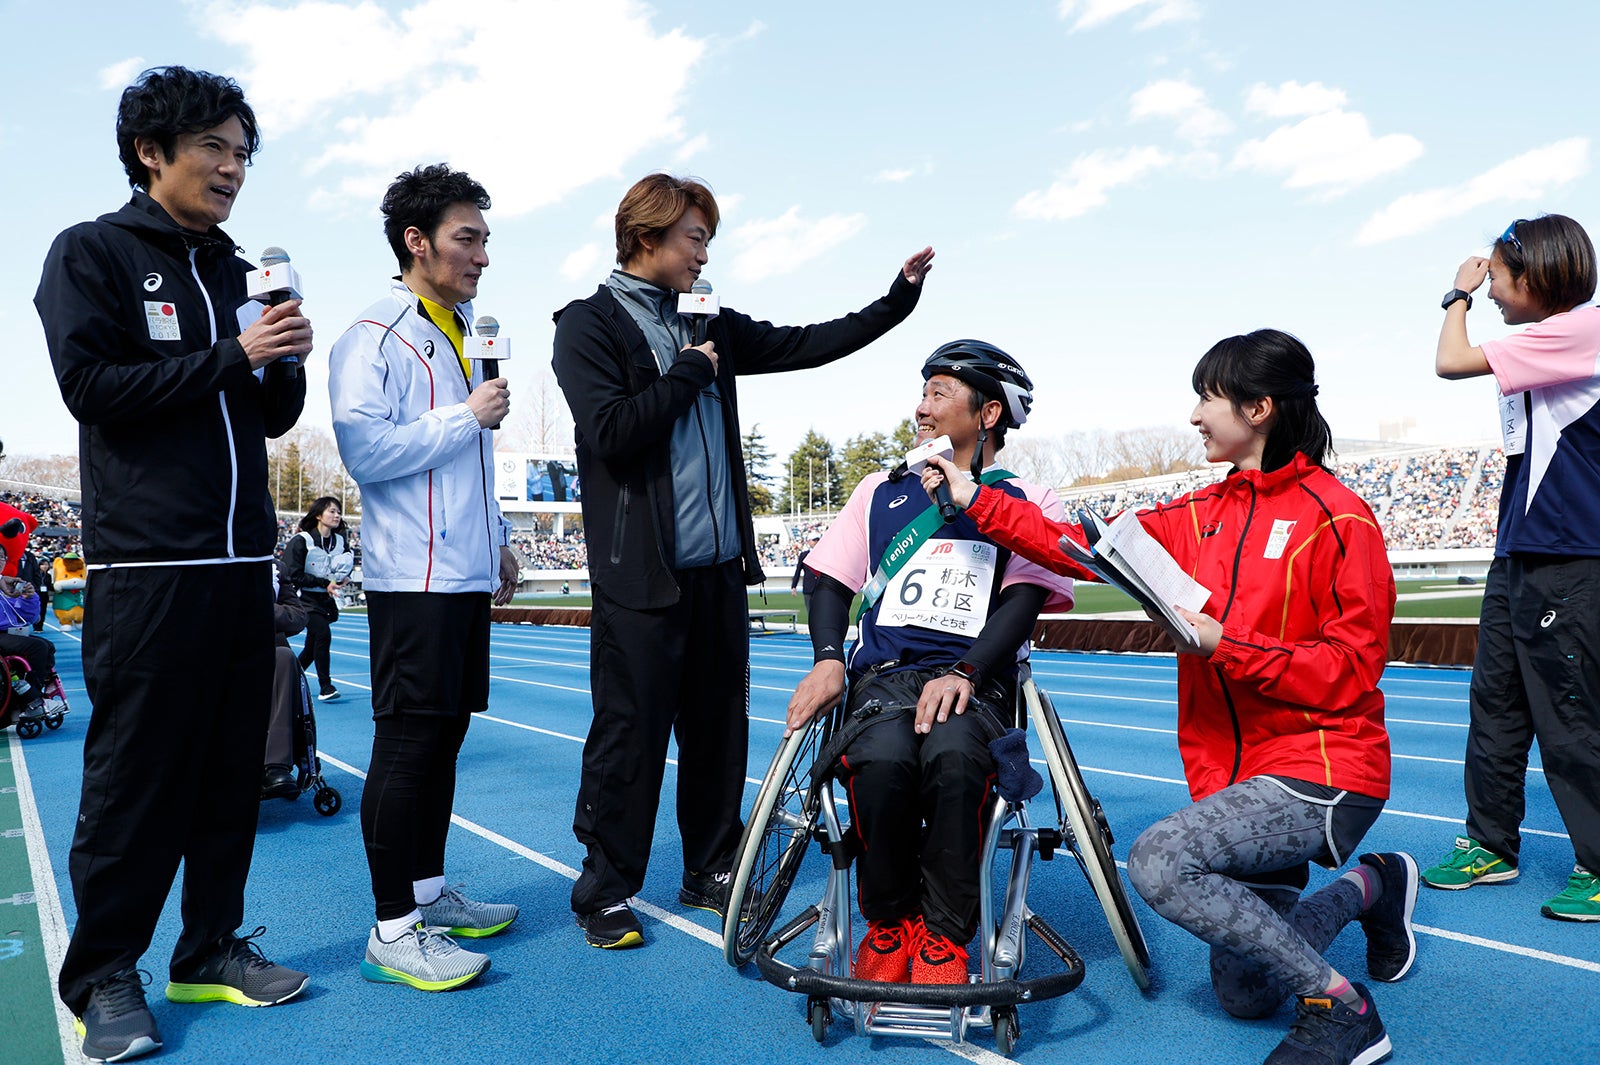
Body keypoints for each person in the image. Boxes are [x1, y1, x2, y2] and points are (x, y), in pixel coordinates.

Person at [924, 330, 1414, 1065]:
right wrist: (976, 500)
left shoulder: (1338, 516)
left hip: (1325, 767)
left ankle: (1344, 1010)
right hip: (1239, 779)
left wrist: (1227, 646)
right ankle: (1374, 884)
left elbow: (1350, 668)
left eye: (1206, 397)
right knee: (1246, 991)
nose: (1192, 414)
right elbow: (1077, 544)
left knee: (1159, 859)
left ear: (1258, 407)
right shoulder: (1198, 514)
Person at [552, 171, 934, 949]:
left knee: (719, 730)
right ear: (647, 236)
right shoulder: (587, 325)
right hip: (640, 578)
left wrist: (895, 301)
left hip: (719, 572)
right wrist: (691, 367)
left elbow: (804, 344)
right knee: (629, 734)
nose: (704, 254)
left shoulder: (710, 319)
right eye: (695, 238)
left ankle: (712, 866)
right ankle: (604, 886)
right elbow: (614, 432)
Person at [34, 66, 311, 1062]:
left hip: (243, 566)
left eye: (244, 153)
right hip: (146, 572)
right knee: (133, 783)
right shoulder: (93, 254)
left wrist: (281, 358)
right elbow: (92, 387)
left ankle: (210, 948)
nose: (234, 169)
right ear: (152, 151)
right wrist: (234, 355)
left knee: (232, 773)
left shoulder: (238, 270)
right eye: (215, 149)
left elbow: (268, 416)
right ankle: (105, 973)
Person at [784, 341, 1073, 983]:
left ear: (989, 412)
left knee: (955, 758)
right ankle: (889, 925)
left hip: (977, 681)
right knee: (882, 760)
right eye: (923, 391)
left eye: (939, 393)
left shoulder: (1031, 501)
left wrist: (967, 672)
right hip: (885, 679)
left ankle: (944, 936)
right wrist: (829, 659)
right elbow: (829, 580)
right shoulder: (878, 491)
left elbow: (1024, 601)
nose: (922, 407)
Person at [328, 163, 521, 993]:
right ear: (417, 241)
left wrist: (502, 539)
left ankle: (430, 893)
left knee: (444, 739)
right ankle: (392, 927)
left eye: (484, 239)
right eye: (466, 238)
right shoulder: (371, 334)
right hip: (414, 578)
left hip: (466, 572)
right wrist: (461, 416)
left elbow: (475, 455)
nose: (482, 255)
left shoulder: (463, 324)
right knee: (407, 745)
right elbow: (366, 453)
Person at [1427, 214, 1600, 920]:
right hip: (1519, 546)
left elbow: (1450, 361)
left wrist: (1455, 295)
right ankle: (1490, 843)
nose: (1491, 289)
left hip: (1569, 550)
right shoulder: (1547, 342)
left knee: (1571, 711)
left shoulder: (1582, 328)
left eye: (1498, 277)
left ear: (1539, 278)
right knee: (1495, 700)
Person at [283, 496, 354, 701]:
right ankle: (326, 687)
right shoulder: (301, 540)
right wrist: (325, 583)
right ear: (318, 515)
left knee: (312, 647)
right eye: (332, 511)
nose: (337, 515)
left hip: (325, 600)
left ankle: (290, 679)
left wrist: (342, 579)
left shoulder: (340, 541)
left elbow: (343, 567)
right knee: (323, 634)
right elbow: (292, 574)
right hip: (303, 599)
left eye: (339, 512)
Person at [262, 553, 310, 800]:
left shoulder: (276, 568)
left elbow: (298, 616)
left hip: (269, 649)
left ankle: (276, 766)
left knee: (285, 659)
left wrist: (258, 608)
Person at [789, 533, 820, 618]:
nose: (816, 542)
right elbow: (798, 571)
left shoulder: (824, 554)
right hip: (808, 587)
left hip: (821, 587)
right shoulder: (804, 555)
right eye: (814, 540)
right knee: (810, 612)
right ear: (808, 542)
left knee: (820, 611)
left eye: (817, 540)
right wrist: (794, 586)